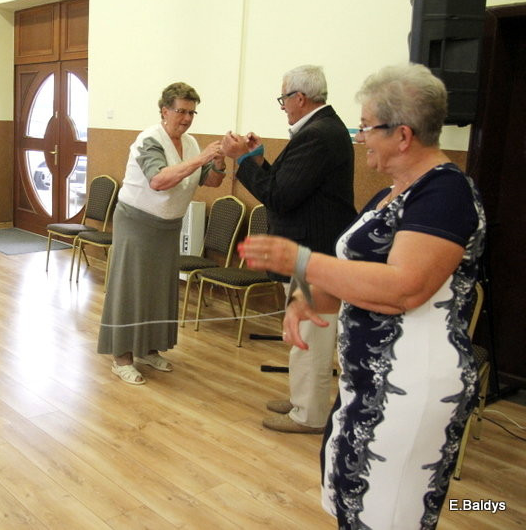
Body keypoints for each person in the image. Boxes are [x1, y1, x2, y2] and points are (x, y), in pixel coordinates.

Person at [239, 63, 485, 529]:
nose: (360, 137)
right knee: (352, 505)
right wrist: (305, 299)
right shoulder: (388, 196)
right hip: (365, 385)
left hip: (412, 385)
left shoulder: (446, 194)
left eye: (367, 127)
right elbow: (351, 271)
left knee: (392, 513)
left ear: (403, 134)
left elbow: (403, 288)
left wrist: (302, 262)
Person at [221, 65, 356, 434]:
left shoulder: (319, 134)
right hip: (309, 250)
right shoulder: (318, 129)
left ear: (300, 98)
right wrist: (260, 159)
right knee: (301, 334)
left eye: (284, 99)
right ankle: (301, 401)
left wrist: (243, 160)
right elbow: (285, 182)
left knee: (309, 339)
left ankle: (309, 415)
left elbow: (278, 197)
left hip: (313, 252)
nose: (282, 106)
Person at [97, 82, 226, 384]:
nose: (186, 118)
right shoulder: (149, 140)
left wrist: (219, 160)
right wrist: (203, 158)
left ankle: (149, 348)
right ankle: (122, 357)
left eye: (192, 112)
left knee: (159, 289)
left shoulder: (192, 144)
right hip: (137, 222)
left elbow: (213, 183)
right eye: (180, 111)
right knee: (131, 289)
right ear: (164, 110)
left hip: (168, 226)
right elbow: (158, 180)